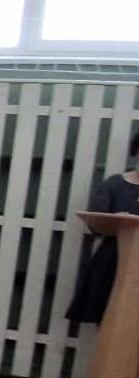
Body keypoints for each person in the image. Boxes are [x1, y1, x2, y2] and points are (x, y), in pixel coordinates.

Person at [66, 130, 139, 331]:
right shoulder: (115, 184)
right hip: (114, 258)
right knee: (109, 316)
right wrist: (119, 220)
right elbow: (97, 220)